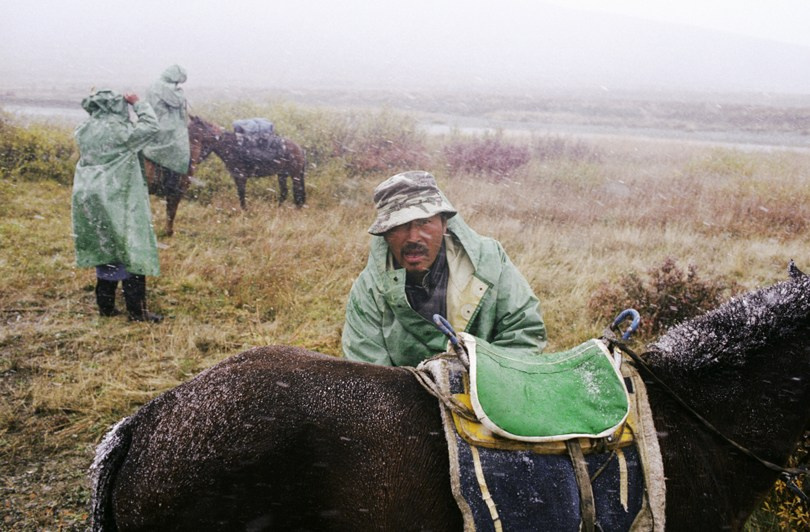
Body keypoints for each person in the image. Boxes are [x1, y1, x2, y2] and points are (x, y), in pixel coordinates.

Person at [342, 170, 547, 366]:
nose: (413, 237)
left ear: (444, 223)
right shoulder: (368, 291)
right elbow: (368, 370)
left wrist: (477, 381)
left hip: (485, 393)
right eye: (400, 226)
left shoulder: (490, 260)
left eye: (424, 222)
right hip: (403, 398)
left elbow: (524, 333)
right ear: (385, 234)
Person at [71, 89, 163, 323]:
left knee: (106, 245)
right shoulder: (122, 131)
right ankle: (136, 311)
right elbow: (152, 126)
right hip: (117, 194)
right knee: (131, 246)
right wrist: (138, 104)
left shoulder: (84, 129)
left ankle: (106, 306)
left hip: (88, 195)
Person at [142, 64, 190, 199]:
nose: (177, 84)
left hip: (152, 121)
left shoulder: (154, 85)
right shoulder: (165, 87)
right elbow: (177, 101)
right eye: (177, 81)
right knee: (179, 148)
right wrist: (180, 92)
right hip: (166, 125)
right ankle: (171, 183)